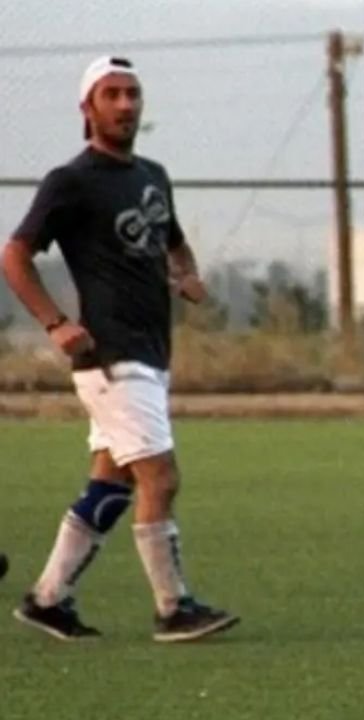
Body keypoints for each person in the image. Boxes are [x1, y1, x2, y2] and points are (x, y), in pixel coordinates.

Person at [1, 55, 238, 643]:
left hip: (150, 353)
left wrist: (186, 274)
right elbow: (15, 254)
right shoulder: (71, 180)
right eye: (111, 94)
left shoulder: (152, 175)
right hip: (110, 356)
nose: (125, 104)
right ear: (87, 108)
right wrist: (55, 323)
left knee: (113, 480)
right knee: (161, 476)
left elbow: (174, 243)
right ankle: (173, 607)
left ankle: (48, 599)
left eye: (132, 93)